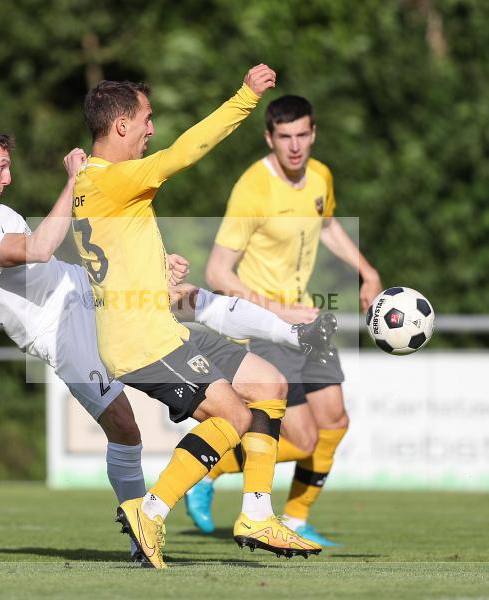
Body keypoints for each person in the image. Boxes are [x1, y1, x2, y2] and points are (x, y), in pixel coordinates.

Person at [0, 126, 331, 564]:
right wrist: (73, 180)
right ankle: (144, 535)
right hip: (58, 333)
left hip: (79, 286)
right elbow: (41, 248)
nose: (8, 179)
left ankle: (291, 337)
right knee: (124, 427)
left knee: (188, 300)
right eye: (1, 168)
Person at [74, 65, 322, 569]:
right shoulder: (116, 177)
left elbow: (113, 253)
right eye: (146, 119)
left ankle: (256, 512)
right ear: (120, 125)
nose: (152, 129)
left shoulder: (90, 181)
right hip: (146, 343)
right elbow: (186, 150)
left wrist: (156, 271)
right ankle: (152, 510)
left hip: (162, 327)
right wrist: (245, 97)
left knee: (269, 384)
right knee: (233, 416)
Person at [187, 95, 383, 547]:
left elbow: (328, 224)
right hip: (265, 325)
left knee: (334, 422)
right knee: (303, 437)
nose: (295, 146)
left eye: (302, 135)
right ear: (270, 138)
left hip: (308, 320)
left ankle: (296, 518)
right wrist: (276, 312)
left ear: (313, 134)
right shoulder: (253, 188)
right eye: (285, 137)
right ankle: (206, 471)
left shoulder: (320, 176)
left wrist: (367, 271)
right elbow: (218, 272)